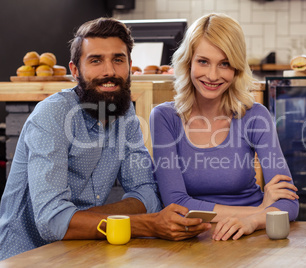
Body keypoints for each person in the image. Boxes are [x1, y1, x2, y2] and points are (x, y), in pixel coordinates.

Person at [0, 17, 210, 261]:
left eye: (118, 60)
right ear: (75, 70)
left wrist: (83, 219)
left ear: (130, 65)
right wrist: (143, 225)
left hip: (88, 250)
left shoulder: (125, 113)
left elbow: (147, 194)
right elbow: (53, 223)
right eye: (96, 60)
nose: (109, 71)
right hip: (29, 258)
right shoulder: (53, 115)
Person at [150, 13, 299, 241]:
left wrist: (252, 222)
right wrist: (260, 211)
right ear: (188, 61)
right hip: (192, 241)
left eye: (225, 64)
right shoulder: (165, 117)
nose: (212, 75)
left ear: (237, 69)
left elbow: (289, 203)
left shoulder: (255, 115)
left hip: (251, 236)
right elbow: (176, 203)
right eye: (203, 62)